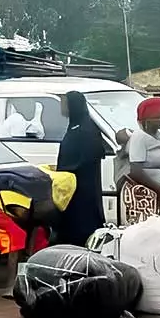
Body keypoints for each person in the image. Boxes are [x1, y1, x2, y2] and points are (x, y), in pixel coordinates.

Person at [0, 168, 74, 298]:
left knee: (39, 238)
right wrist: (25, 253)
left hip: (1, 206)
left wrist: (30, 255)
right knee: (16, 237)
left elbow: (33, 229)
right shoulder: (24, 208)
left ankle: (26, 281)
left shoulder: (37, 210)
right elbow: (23, 225)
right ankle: (11, 286)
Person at [53, 90, 107, 246]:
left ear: (73, 105)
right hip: (71, 186)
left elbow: (92, 153)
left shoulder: (86, 129)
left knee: (83, 224)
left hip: (83, 187)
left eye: (64, 103)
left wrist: (68, 168)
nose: (62, 107)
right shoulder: (75, 125)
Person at [117, 96, 160, 226]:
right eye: (159, 117)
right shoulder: (139, 138)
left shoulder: (158, 136)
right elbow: (135, 171)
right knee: (146, 232)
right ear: (147, 121)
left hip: (157, 195)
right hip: (143, 197)